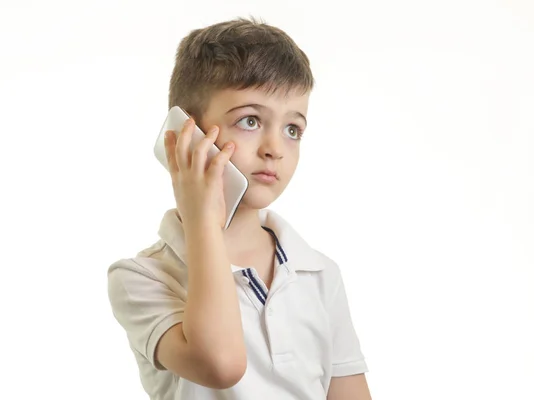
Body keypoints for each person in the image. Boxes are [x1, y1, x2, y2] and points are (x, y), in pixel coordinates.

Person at [107, 16, 372, 400]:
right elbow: (221, 364)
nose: (275, 148)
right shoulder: (142, 277)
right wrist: (202, 221)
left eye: (292, 129)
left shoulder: (318, 274)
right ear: (187, 136)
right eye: (250, 120)